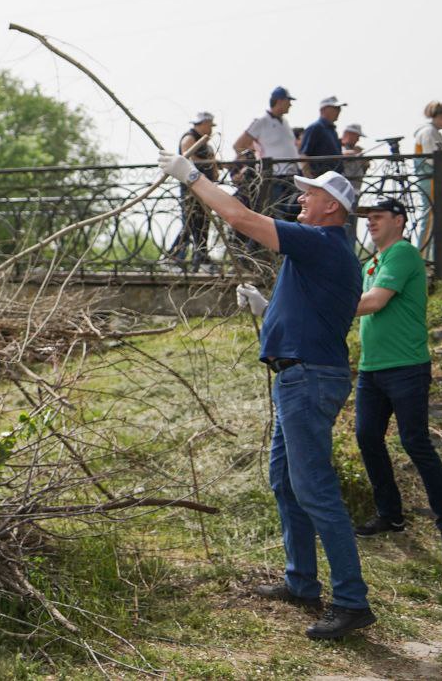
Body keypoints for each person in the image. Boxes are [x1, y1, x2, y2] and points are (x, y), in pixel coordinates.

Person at [157, 150, 375, 640]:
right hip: (299, 376)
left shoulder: (321, 241)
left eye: (311, 193)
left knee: (315, 488)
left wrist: (192, 176)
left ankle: (351, 600)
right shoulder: (324, 251)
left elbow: (237, 217)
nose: (301, 196)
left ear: (332, 208)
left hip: (308, 380)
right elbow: (311, 311)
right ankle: (301, 581)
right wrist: (266, 305)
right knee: (285, 480)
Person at [352, 197, 442, 562]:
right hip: (372, 368)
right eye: (367, 217)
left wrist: (320, 305)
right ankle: (390, 515)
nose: (370, 222)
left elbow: (372, 303)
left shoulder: (402, 253)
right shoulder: (373, 261)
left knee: (415, 443)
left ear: (399, 221)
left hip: (406, 367)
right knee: (368, 437)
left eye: (378, 216)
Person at [234, 87, 300, 220]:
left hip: (290, 177)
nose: (290, 104)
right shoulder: (261, 121)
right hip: (274, 177)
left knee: (291, 215)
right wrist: (251, 162)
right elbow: (239, 145)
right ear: (280, 101)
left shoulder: (285, 122)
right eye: (288, 101)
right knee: (275, 215)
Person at [166, 111, 219, 271]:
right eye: (210, 125)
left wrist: (215, 169)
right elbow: (186, 159)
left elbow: (213, 165)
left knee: (204, 222)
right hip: (192, 188)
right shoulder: (189, 138)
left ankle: (201, 259)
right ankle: (174, 258)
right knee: (190, 223)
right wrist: (209, 162)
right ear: (203, 124)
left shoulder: (206, 144)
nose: (211, 130)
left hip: (205, 188)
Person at [413, 102, 442, 260]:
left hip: (432, 180)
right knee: (430, 219)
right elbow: (433, 159)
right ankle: (422, 258)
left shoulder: (432, 132)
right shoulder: (429, 132)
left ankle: (428, 257)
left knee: (432, 220)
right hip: (430, 180)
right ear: (441, 115)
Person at [299, 96, 346, 176]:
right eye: (335, 108)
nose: (339, 111)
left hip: (333, 177)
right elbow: (304, 155)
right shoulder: (315, 127)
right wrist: (309, 178)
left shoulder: (332, 130)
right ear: (324, 110)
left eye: (339, 108)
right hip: (320, 179)